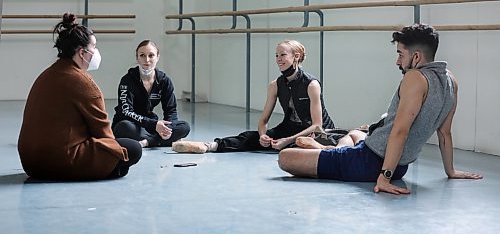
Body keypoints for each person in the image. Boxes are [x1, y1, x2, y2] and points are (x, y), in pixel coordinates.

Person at [278, 24, 483, 194]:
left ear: (417, 57)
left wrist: (384, 178)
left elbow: (400, 132)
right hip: (396, 166)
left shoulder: (415, 78)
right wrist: (451, 171)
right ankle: (330, 150)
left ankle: (327, 150)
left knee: (285, 158)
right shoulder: (450, 80)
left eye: (401, 54)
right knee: (356, 133)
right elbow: (445, 132)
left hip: (367, 162)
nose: (398, 61)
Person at [17, 13, 142, 181]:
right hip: (58, 161)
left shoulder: (47, 74)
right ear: (82, 53)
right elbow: (104, 134)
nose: (97, 52)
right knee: (132, 148)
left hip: (30, 163)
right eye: (94, 47)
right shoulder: (84, 84)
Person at [172, 39, 335, 153]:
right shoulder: (275, 85)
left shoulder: (311, 84)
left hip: (318, 132)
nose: (278, 59)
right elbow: (263, 120)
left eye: (283, 55)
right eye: (276, 55)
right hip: (290, 128)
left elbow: (317, 125)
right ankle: (210, 146)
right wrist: (263, 135)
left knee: (299, 146)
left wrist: (287, 140)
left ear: (296, 57)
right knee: (251, 137)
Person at [112, 40, 190, 148]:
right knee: (123, 127)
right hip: (131, 123)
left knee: (185, 127)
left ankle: (147, 142)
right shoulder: (127, 80)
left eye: (151, 55)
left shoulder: (164, 81)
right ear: (137, 58)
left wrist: (168, 129)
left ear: (157, 57)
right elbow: (125, 112)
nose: (147, 60)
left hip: (150, 126)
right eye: (142, 55)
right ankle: (161, 140)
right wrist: (154, 125)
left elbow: (171, 111)